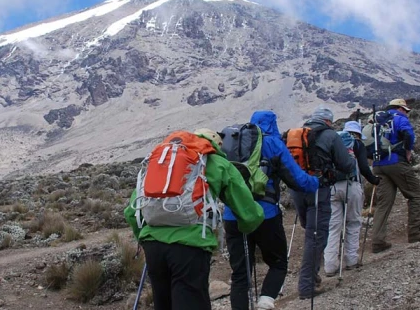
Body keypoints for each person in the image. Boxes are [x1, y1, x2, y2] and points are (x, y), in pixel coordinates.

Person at [124, 129, 264, 310]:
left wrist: (143, 237)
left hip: (153, 246)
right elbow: (248, 211)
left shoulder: (161, 162)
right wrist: (248, 225)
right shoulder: (217, 162)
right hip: (190, 245)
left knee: (162, 303)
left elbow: (131, 212)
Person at [223, 110, 319, 310]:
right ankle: (265, 302)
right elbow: (297, 179)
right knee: (278, 263)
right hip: (265, 214)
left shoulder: (232, 141)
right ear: (273, 124)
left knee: (240, 274)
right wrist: (317, 182)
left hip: (233, 216)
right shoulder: (273, 143)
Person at [289, 105, 356, 300]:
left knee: (311, 233)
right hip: (318, 189)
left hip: (297, 189)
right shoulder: (331, 135)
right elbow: (347, 165)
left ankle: (312, 278)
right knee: (316, 236)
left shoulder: (295, 135)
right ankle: (307, 285)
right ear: (328, 121)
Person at [371, 99, 420, 253]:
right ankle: (415, 232)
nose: (407, 113)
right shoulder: (399, 118)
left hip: (378, 166)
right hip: (397, 162)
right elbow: (408, 134)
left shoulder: (377, 121)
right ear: (399, 108)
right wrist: (408, 150)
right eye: (406, 110)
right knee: (415, 195)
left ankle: (378, 241)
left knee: (383, 204)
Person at [323, 121, 381, 276]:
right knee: (353, 223)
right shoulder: (357, 144)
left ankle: (330, 266)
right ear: (357, 133)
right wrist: (374, 180)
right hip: (351, 186)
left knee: (333, 226)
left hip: (333, 188)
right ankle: (351, 261)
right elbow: (363, 167)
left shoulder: (332, 142)